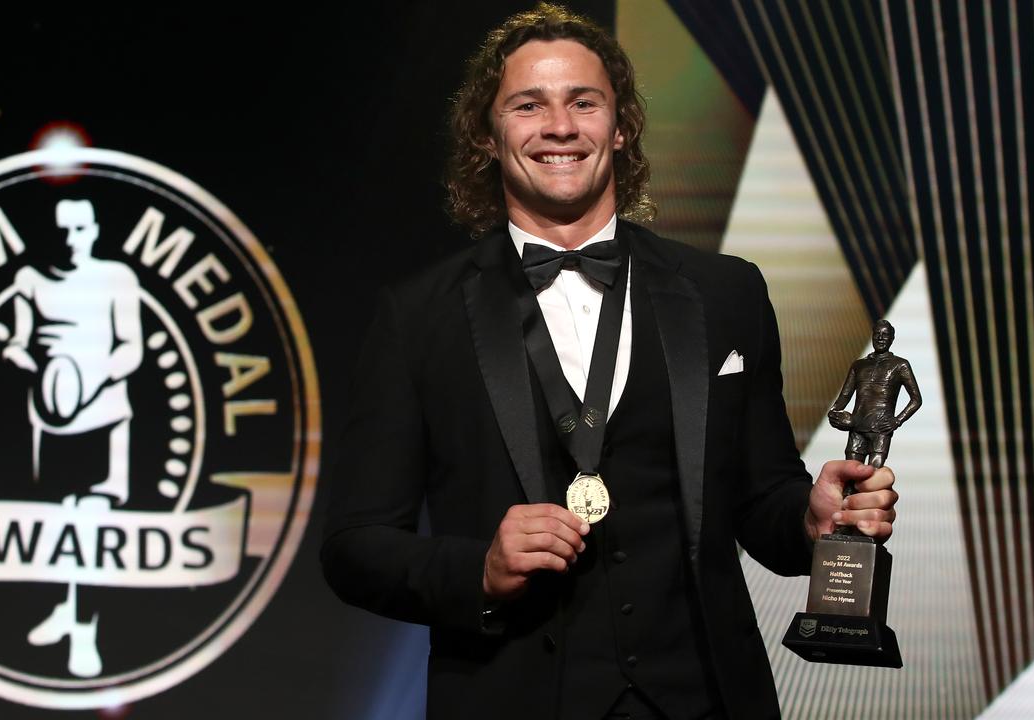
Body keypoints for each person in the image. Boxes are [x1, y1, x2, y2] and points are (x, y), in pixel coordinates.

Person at [320, 5, 899, 719]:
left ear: (619, 127)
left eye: (583, 102)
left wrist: (810, 520)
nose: (560, 126)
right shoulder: (417, 316)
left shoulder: (726, 294)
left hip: (704, 699)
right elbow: (355, 546)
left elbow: (760, 499)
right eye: (528, 105)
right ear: (487, 135)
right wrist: (482, 569)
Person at [3, 198, 144, 678]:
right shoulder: (30, 279)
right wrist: (34, 368)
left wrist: (88, 381)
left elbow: (132, 348)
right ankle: (66, 608)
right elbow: (19, 343)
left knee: (93, 529)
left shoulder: (118, 278)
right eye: (62, 230)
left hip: (103, 417)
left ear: (94, 230)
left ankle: (85, 631)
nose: (71, 239)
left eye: (80, 229)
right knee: (62, 526)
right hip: (49, 422)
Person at [828, 319, 922, 470]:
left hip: (881, 430)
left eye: (885, 335)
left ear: (892, 338)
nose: (880, 338)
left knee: (872, 480)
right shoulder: (858, 365)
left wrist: (897, 421)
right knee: (851, 479)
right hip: (856, 428)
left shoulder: (900, 365)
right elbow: (844, 396)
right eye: (877, 334)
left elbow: (916, 399)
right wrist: (833, 412)